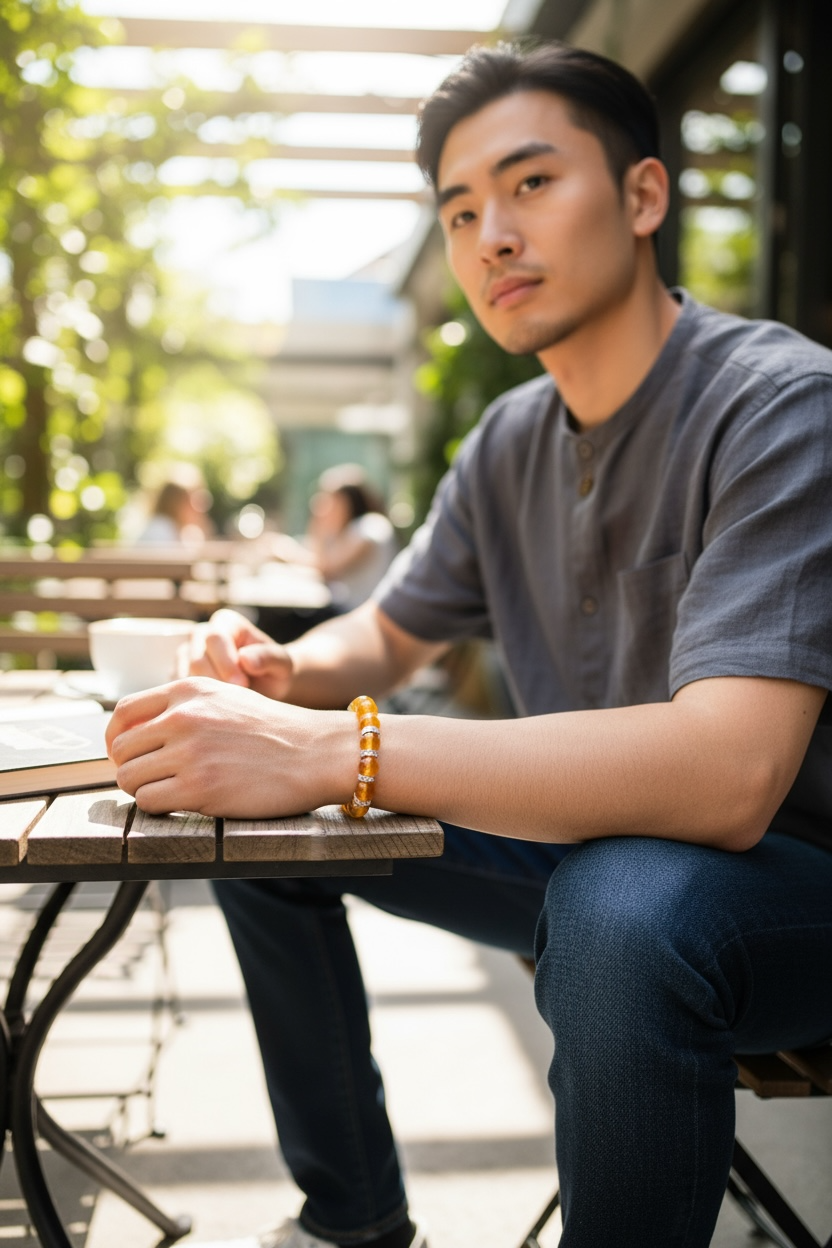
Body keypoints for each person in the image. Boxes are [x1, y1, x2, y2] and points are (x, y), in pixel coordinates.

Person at [106, 40, 832, 1248]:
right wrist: (279, 674)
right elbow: (384, 637)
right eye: (458, 208)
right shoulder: (508, 440)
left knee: (618, 905)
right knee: (255, 830)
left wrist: (338, 749)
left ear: (644, 195)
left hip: (788, 891)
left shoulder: (781, 406)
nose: (490, 232)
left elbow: (729, 776)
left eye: (531, 183)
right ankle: (355, 1219)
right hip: (583, 858)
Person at [269, 465, 397, 611]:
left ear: (347, 502)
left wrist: (318, 523)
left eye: (329, 500)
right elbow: (318, 559)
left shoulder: (370, 525)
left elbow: (327, 569)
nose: (324, 507)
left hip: (362, 614)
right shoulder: (348, 531)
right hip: (351, 611)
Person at [136, 479, 213, 546]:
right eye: (192, 501)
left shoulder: (178, 530)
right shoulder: (159, 531)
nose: (199, 509)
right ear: (175, 503)